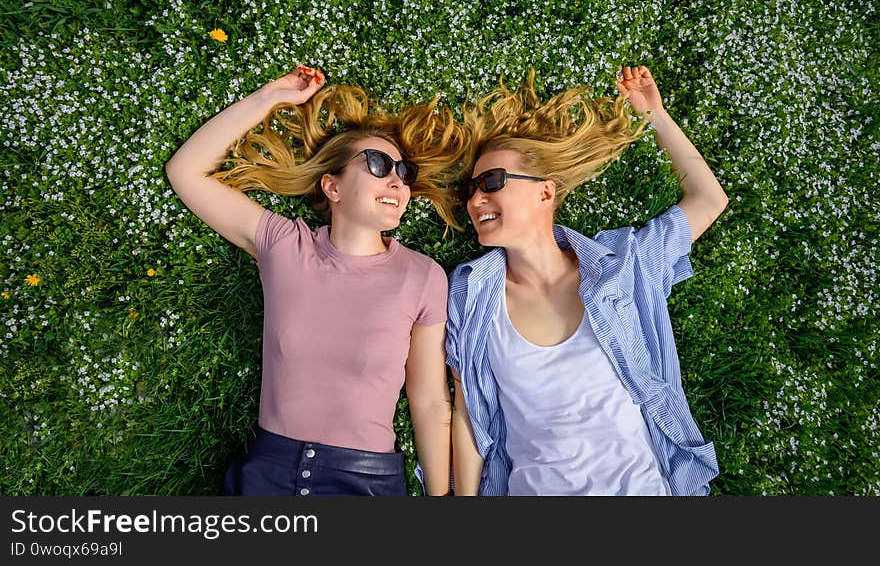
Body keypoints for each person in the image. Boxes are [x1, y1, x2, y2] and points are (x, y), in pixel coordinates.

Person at [166, 64, 464, 496]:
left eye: (404, 173)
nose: (397, 181)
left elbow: (431, 403)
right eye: (380, 165)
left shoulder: (422, 276)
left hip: (365, 483)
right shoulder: (285, 245)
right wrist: (268, 98)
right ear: (332, 186)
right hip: (268, 474)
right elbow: (186, 172)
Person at [446, 65, 727, 495]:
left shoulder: (623, 266)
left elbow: (709, 200)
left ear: (545, 192)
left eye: (492, 182)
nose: (476, 199)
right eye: (471, 189)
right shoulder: (471, 294)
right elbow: (469, 414)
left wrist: (655, 115)